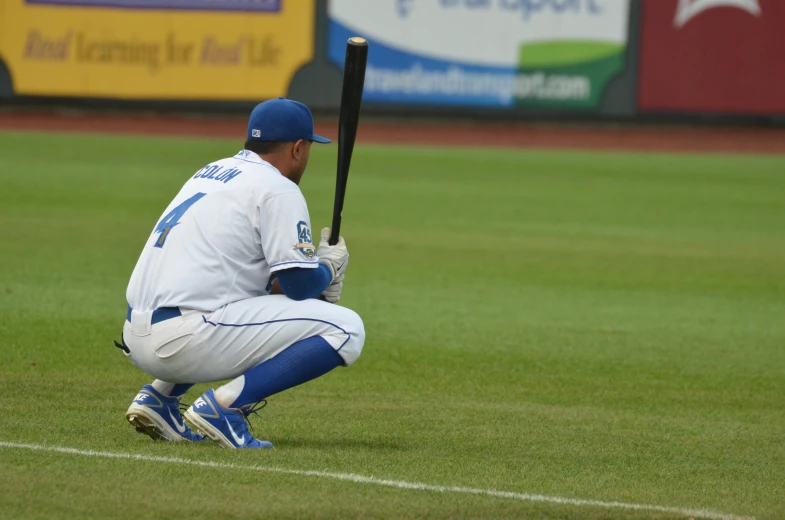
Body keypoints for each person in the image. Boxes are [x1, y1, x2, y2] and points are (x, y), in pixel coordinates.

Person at [117, 98, 365, 449]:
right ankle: (225, 409)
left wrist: (318, 282)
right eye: (309, 147)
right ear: (297, 148)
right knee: (347, 329)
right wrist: (328, 268)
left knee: (245, 299)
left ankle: (160, 400)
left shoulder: (212, 171)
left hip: (138, 334)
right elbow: (298, 286)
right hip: (183, 339)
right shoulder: (279, 188)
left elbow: (266, 286)